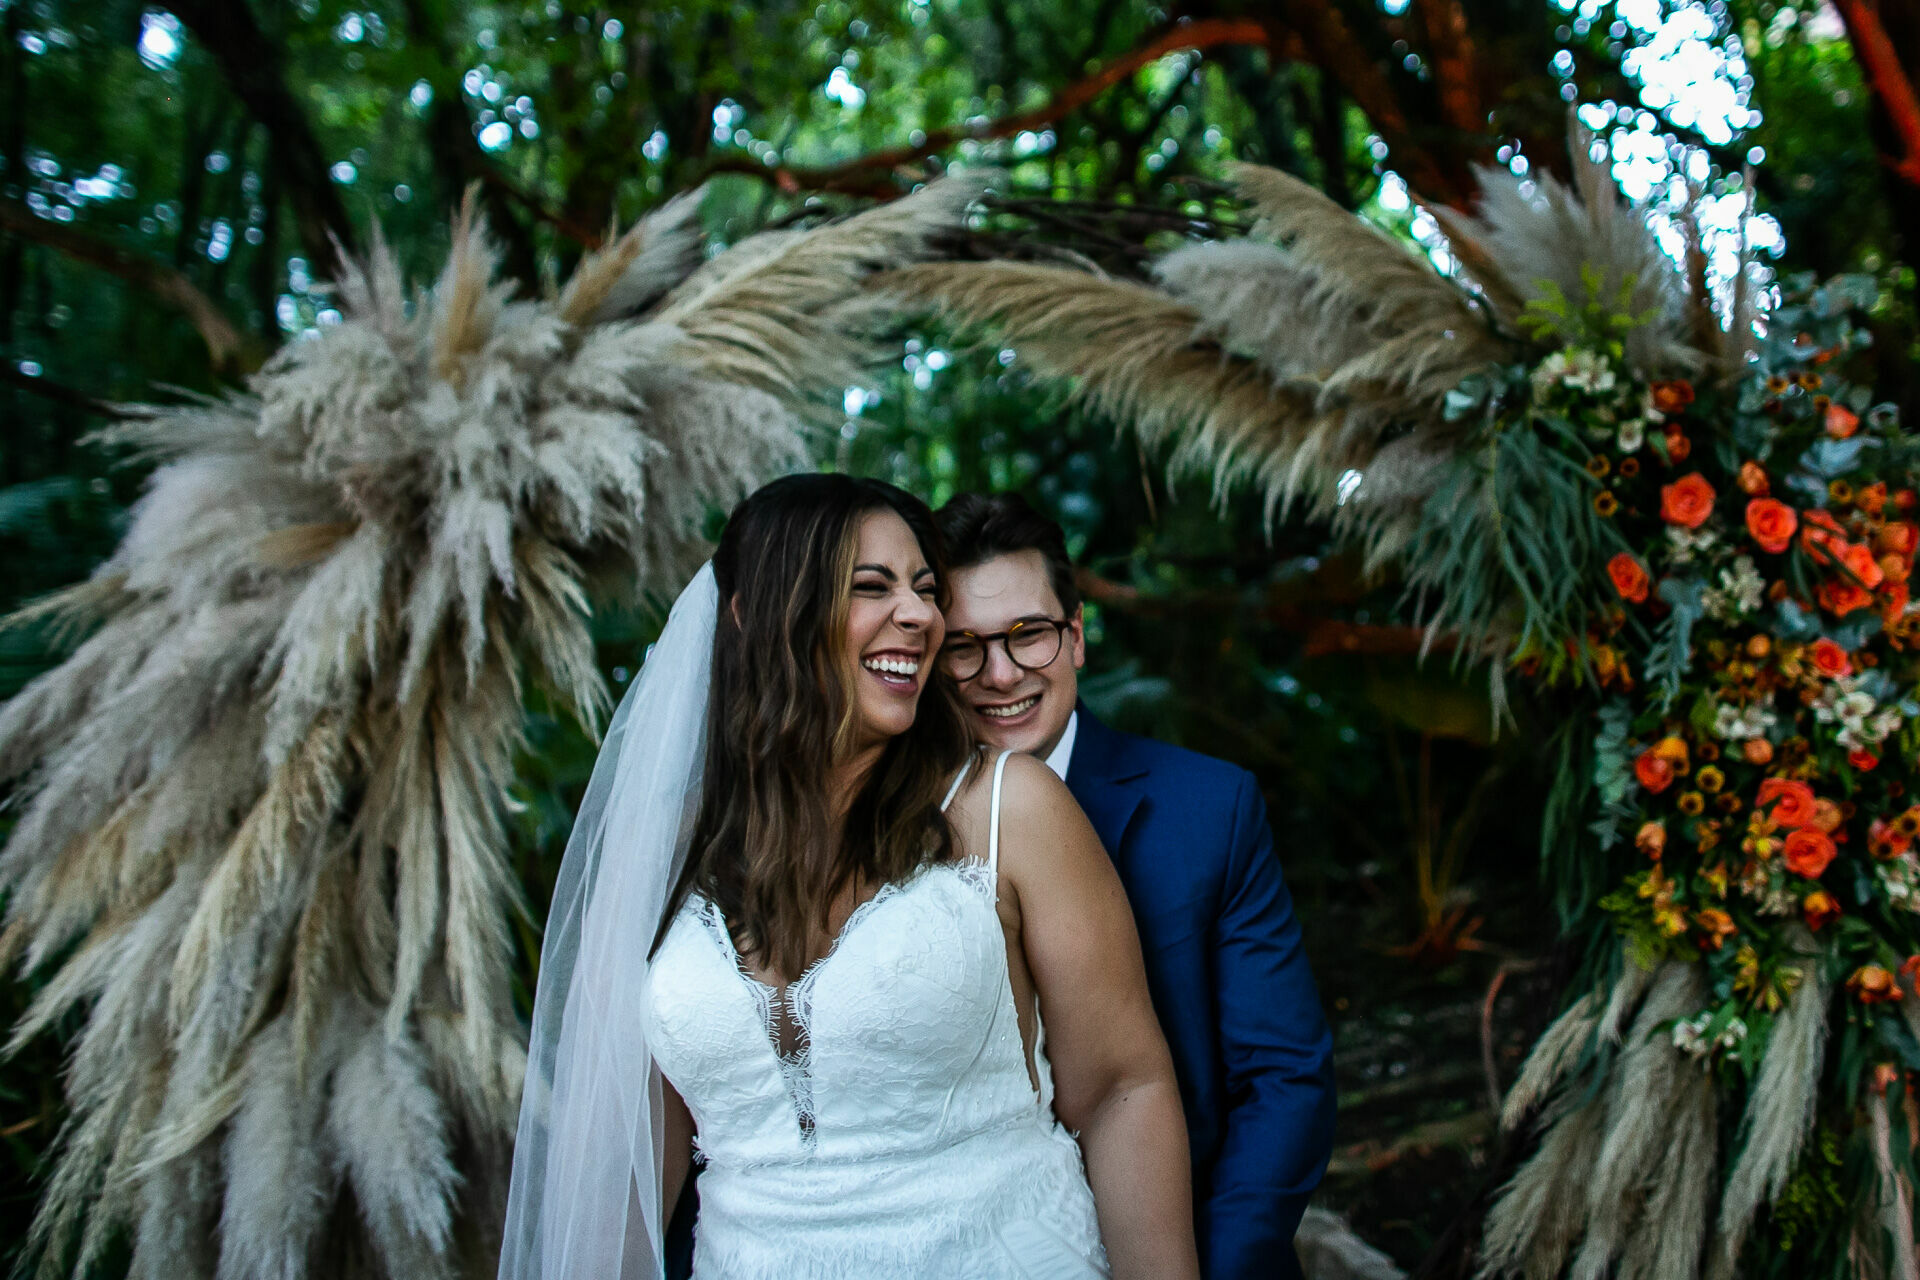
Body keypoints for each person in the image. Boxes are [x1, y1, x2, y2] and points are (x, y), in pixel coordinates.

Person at [499, 473, 1200, 1280]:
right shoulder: (662, 849)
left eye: (925, 589)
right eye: (873, 586)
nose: (922, 615)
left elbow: (1120, 1090)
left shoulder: (1012, 808)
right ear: (752, 616)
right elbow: (625, 1164)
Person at [934, 492, 1337, 1280]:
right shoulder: (894, 829)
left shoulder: (1208, 808)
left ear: (1077, 636)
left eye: (1030, 635)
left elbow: (1283, 1078)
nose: (1001, 673)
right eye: (964, 647)